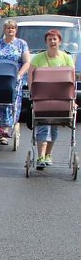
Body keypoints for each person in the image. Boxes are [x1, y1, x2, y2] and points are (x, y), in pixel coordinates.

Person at [29, 29, 75, 169]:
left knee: (54, 128)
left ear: (59, 41)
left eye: (55, 39)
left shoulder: (66, 58)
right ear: (46, 42)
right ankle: (41, 157)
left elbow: (72, 80)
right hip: (42, 98)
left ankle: (48, 155)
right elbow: (31, 76)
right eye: (50, 39)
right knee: (43, 126)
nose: (52, 42)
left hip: (60, 98)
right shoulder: (38, 58)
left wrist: (72, 99)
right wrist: (32, 93)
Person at [0, 19, 31, 145]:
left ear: (16, 30)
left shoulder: (21, 44)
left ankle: (5, 131)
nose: (10, 30)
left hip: (13, 78)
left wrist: (19, 74)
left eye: (12, 28)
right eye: (8, 28)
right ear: (4, 30)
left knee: (9, 104)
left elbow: (27, 62)